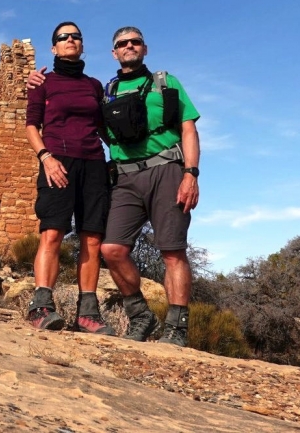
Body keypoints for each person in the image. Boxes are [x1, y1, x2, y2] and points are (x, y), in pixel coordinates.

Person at [29, 25, 201, 347]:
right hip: (122, 175)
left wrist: (190, 173)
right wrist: (36, 86)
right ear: (114, 52)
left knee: (171, 250)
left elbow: (188, 129)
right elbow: (49, 123)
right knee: (111, 248)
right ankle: (140, 316)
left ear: (144, 48)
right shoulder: (106, 89)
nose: (129, 47)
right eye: (122, 43)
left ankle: (176, 328)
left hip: (163, 169)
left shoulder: (163, 83)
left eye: (135, 42)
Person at [23, 21, 115, 335]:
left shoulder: (94, 85)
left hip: (93, 164)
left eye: (76, 36)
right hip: (57, 162)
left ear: (82, 45)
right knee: (52, 233)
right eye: (64, 37)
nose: (71, 40)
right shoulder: (42, 83)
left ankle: (87, 314)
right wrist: (45, 157)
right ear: (54, 47)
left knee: (92, 238)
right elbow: (31, 126)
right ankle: (41, 306)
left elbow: (103, 127)